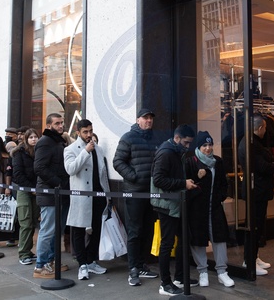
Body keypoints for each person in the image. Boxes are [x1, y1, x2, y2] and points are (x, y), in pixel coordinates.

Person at [113, 108, 161, 286]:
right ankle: (133, 268)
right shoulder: (128, 138)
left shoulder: (156, 138)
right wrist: (133, 176)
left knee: (148, 229)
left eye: (151, 118)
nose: (149, 120)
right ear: (138, 120)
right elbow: (118, 161)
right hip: (134, 191)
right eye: (145, 118)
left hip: (152, 191)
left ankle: (142, 265)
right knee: (134, 231)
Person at [237, 113, 274, 276]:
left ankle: (254, 256)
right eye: (265, 127)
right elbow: (261, 167)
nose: (266, 130)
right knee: (254, 225)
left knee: (257, 225)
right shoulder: (251, 144)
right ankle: (249, 260)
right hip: (256, 190)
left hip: (257, 189)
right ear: (259, 128)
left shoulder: (251, 142)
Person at [151, 124, 198, 296]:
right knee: (167, 243)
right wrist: (183, 183)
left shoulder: (174, 151)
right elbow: (158, 180)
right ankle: (165, 283)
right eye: (186, 142)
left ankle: (179, 277)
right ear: (177, 138)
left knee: (184, 238)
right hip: (166, 204)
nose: (188, 146)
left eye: (189, 143)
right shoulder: (166, 153)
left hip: (174, 203)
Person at [184, 131, 235, 288]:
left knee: (219, 237)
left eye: (210, 144)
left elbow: (223, 183)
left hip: (215, 207)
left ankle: (222, 272)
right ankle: (203, 271)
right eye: (204, 145)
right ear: (198, 147)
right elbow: (186, 185)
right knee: (198, 239)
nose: (208, 148)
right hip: (197, 209)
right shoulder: (191, 162)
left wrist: (220, 197)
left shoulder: (217, 161)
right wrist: (198, 178)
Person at [64, 119, 110, 281]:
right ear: (78, 133)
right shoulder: (70, 149)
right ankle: (82, 264)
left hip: (99, 195)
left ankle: (91, 260)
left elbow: (103, 173)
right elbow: (70, 169)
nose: (89, 134)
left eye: (90, 131)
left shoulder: (98, 149)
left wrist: (108, 196)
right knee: (78, 230)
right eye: (85, 132)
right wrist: (85, 152)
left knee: (97, 230)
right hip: (81, 196)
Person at [33, 113, 70, 279]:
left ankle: (51, 261)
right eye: (57, 123)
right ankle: (40, 266)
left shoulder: (58, 141)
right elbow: (39, 167)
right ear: (49, 125)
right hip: (49, 193)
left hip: (60, 193)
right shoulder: (45, 141)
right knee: (47, 231)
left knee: (57, 231)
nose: (61, 126)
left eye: (62, 123)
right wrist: (58, 183)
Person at [13, 128, 40, 265]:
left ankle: (28, 251)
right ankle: (23, 253)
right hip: (24, 190)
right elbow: (18, 174)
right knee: (25, 222)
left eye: (35, 137)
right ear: (26, 139)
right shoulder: (19, 153)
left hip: (37, 190)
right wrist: (31, 188)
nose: (34, 139)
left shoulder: (40, 152)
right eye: (31, 137)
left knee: (33, 221)